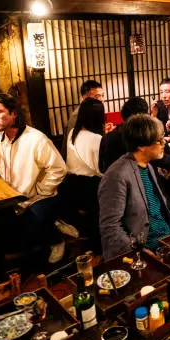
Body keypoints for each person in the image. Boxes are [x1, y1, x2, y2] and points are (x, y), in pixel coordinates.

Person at [0, 93, 69, 263]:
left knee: (31, 231)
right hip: (14, 198)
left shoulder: (36, 139)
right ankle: (52, 226)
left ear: (13, 113)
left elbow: (59, 168)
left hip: (40, 197)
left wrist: (41, 190)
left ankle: (57, 239)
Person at [98, 114, 170, 260]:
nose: (163, 143)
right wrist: (137, 252)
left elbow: (155, 204)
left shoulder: (147, 165)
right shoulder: (117, 175)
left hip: (166, 235)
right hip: (145, 246)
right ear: (141, 146)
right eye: (159, 140)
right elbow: (110, 227)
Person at [61, 97, 105, 248]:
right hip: (89, 188)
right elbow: (100, 170)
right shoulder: (97, 138)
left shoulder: (74, 132)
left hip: (70, 185)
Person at [99, 97, 170, 174]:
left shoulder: (107, 137)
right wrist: (157, 134)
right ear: (143, 119)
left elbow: (102, 168)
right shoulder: (144, 139)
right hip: (144, 183)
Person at [61, 80, 111, 157]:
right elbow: (73, 145)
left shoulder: (92, 111)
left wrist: (103, 130)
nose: (101, 99)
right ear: (84, 98)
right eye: (97, 96)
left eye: (102, 95)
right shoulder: (77, 115)